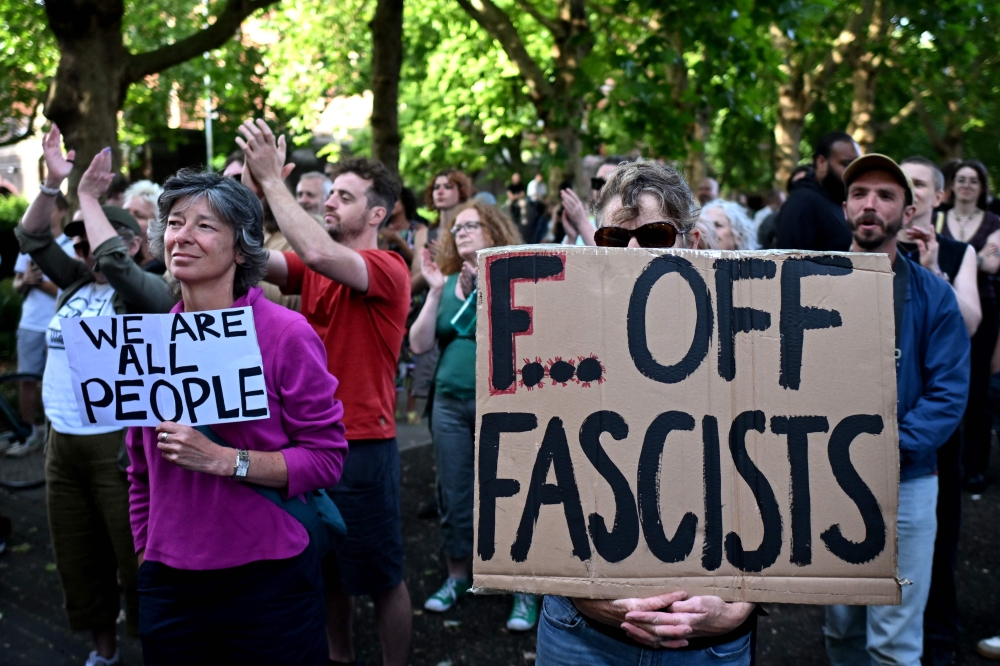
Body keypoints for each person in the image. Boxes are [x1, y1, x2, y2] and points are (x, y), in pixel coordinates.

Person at [539, 162, 771, 665]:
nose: (634, 252)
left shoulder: (752, 343)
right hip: (582, 633)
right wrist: (589, 597)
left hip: (710, 640)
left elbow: (785, 473)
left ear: (689, 239)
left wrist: (738, 607)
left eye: (656, 234)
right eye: (614, 237)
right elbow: (530, 475)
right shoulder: (555, 347)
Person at [126, 169, 347, 665]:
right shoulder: (147, 343)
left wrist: (227, 460)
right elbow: (139, 468)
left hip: (269, 579)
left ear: (243, 249)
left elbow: (327, 459)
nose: (182, 236)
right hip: (170, 583)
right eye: (175, 223)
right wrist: (146, 552)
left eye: (204, 226)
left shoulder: (285, 334)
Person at [236, 119, 412, 666]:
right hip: (309, 447)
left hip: (363, 447)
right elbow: (246, 259)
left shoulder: (388, 267)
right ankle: (339, 659)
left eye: (343, 195)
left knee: (381, 579)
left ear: (377, 214)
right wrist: (243, 191)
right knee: (327, 574)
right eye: (329, 193)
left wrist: (273, 182)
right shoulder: (315, 265)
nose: (330, 202)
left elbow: (315, 253)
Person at [15, 126, 175, 666]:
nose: (81, 249)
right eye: (78, 241)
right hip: (63, 446)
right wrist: (52, 185)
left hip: (117, 444)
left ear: (129, 242)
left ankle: (155, 647)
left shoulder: (148, 293)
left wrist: (90, 201)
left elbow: (119, 266)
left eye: (91, 240)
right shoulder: (76, 284)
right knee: (78, 558)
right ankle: (102, 654)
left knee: (134, 559)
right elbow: (32, 238)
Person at [824, 154, 970, 666]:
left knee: (893, 641)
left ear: (908, 213)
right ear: (844, 207)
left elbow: (949, 394)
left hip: (907, 484)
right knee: (840, 629)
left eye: (886, 196)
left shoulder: (934, 296)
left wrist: (887, 449)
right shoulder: (807, 286)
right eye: (861, 193)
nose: (871, 205)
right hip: (826, 482)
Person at [408, 202, 537, 629]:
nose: (461, 231)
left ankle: (524, 589)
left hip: (503, 403)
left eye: (471, 225)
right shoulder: (443, 282)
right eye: (457, 226)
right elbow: (420, 343)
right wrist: (431, 293)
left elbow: (523, 337)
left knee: (516, 494)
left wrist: (485, 290)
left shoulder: (512, 279)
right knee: (455, 494)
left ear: (494, 229)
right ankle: (457, 577)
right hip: (448, 403)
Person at [898, 157, 980, 666]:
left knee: (936, 529)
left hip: (933, 425)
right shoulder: (867, 250)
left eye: (919, 184)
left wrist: (931, 272)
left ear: (937, 197)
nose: (909, 192)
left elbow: (968, 321)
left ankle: (938, 630)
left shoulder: (956, 251)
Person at [937, 159, 1000, 494]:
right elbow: (983, 259)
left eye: (973, 181)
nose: (965, 185)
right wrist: (976, 255)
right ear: (951, 186)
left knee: (976, 393)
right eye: (960, 180)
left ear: (981, 187)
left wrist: (953, 260)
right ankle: (944, 464)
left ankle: (975, 469)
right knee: (943, 384)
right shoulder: (938, 218)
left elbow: (995, 264)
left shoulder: (993, 221)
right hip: (943, 312)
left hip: (985, 312)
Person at [6, 191, 72, 457]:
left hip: (60, 327)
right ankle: (28, 432)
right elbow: (17, 283)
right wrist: (26, 280)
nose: (43, 213)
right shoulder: (29, 245)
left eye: (49, 208)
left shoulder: (72, 246)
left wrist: (39, 282)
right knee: (26, 380)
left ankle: (58, 436)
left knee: (60, 381)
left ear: (62, 212)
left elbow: (68, 287)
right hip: (31, 324)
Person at [775, 131, 860, 251]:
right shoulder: (802, 203)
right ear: (821, 162)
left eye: (856, 165)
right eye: (846, 164)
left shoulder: (836, 199)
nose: (853, 172)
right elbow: (790, 263)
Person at [758, 165, 811, 249]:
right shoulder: (772, 223)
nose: (802, 192)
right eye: (796, 187)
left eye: (806, 185)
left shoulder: (833, 216)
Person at [122, 180, 165, 273]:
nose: (128, 219)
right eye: (126, 213)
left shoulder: (163, 269)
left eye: (139, 215)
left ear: (157, 224)